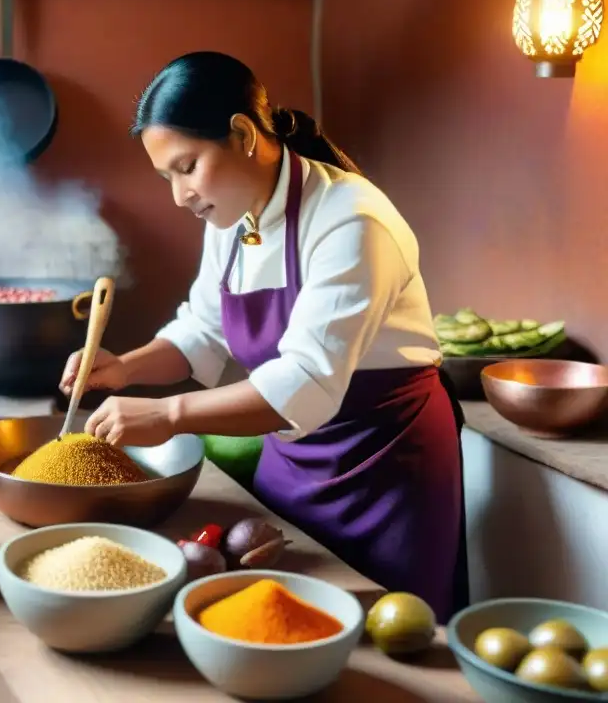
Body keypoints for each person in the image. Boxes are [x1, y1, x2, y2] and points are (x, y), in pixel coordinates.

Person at [59, 51, 468, 622]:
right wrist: (124, 367)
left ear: (244, 134)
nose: (179, 195)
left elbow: (304, 382)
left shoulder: (353, 220)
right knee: (275, 617)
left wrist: (170, 414)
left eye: (187, 166)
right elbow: (201, 332)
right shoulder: (232, 218)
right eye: (166, 177)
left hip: (383, 466)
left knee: (386, 642)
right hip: (293, 457)